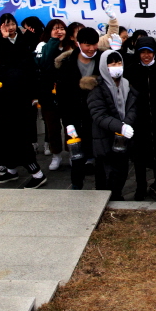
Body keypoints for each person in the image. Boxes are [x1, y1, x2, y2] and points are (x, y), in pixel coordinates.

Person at [0, 13, 47, 189]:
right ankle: (11, 170)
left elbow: (22, 67)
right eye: (5, 25)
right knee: (6, 134)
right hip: (4, 97)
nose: (9, 28)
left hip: (22, 96)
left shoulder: (27, 41)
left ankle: (37, 173)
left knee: (19, 135)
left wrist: (35, 95)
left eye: (11, 24)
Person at [124, 36, 156, 200]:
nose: (146, 56)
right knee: (139, 157)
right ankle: (140, 187)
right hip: (139, 121)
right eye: (142, 52)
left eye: (150, 52)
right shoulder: (131, 70)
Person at [54, 26, 102, 191]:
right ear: (78, 43)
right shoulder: (67, 64)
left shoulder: (103, 60)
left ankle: (102, 187)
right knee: (76, 153)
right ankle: (76, 184)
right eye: (87, 45)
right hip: (75, 116)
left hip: (97, 116)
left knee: (99, 153)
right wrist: (67, 122)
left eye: (94, 44)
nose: (91, 49)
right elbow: (62, 97)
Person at [87, 50, 137, 201]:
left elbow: (132, 107)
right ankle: (104, 201)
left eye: (119, 63)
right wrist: (119, 126)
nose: (116, 66)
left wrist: (127, 123)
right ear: (104, 66)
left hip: (122, 139)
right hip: (104, 138)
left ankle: (117, 196)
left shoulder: (127, 84)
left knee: (121, 171)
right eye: (112, 63)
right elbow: (98, 114)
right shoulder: (97, 88)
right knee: (106, 174)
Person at [33, 19, 68, 169]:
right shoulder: (43, 46)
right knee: (52, 126)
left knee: (69, 125)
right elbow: (44, 63)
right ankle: (56, 155)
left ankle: (72, 153)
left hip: (66, 92)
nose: (59, 31)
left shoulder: (69, 47)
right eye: (55, 29)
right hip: (48, 93)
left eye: (61, 28)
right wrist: (53, 42)